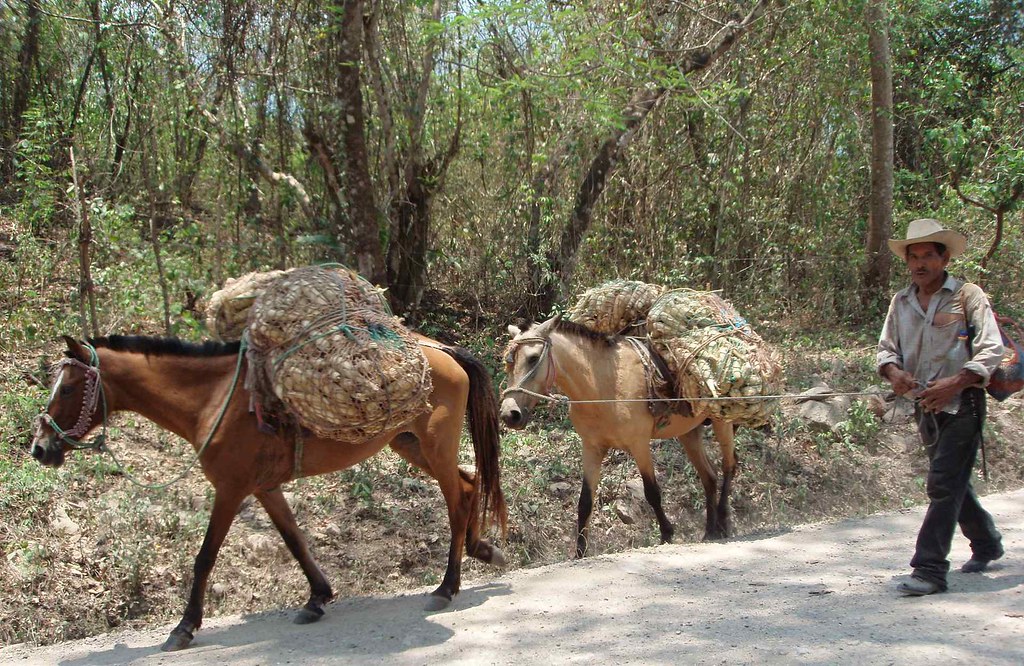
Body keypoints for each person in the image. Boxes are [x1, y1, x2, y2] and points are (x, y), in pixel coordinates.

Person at [877, 218, 1005, 596]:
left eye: (928, 256)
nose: (919, 264)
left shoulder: (968, 296)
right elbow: (886, 350)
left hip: (963, 404)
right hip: (924, 406)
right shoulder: (900, 302)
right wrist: (894, 373)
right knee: (953, 482)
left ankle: (930, 569)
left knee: (942, 484)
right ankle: (986, 543)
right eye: (913, 257)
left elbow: (991, 349)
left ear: (944, 258)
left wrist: (955, 381)